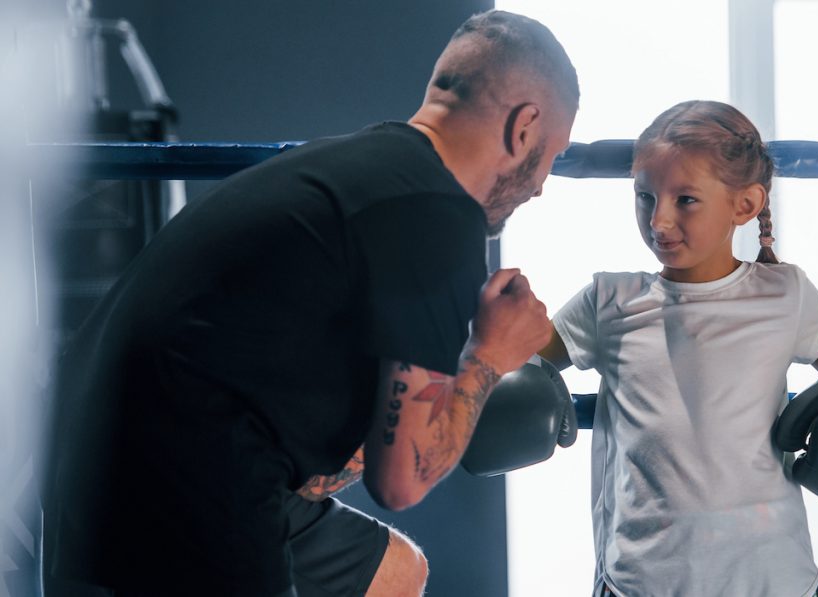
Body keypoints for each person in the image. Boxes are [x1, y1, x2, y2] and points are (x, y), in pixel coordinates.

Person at [42, 9, 577, 597]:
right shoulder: (438, 217)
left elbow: (302, 432)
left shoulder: (351, 168)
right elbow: (402, 482)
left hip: (92, 458)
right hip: (180, 482)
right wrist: (489, 358)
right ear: (524, 128)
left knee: (393, 573)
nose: (542, 184)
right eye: (552, 156)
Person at [532, 100, 818, 596]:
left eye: (685, 199)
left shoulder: (785, 294)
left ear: (745, 205)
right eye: (645, 197)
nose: (659, 221)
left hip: (777, 580)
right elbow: (525, 356)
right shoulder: (610, 300)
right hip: (643, 583)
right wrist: (511, 367)